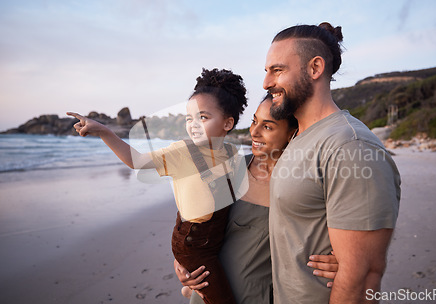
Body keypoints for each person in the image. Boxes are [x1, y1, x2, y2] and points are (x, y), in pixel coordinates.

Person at [68, 68, 250, 304]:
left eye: (203, 118)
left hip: (215, 237)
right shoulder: (183, 152)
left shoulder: (231, 154)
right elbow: (137, 161)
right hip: (194, 244)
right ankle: (193, 289)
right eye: (189, 119)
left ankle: (190, 291)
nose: (193, 125)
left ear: (227, 123)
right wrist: (104, 131)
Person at [263, 22, 401, 303]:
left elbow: (362, 279)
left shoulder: (351, 147)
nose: (266, 83)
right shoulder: (298, 137)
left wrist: (353, 264)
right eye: (266, 72)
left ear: (315, 68)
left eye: (277, 70)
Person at [175, 94, 340, 304]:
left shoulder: (303, 186)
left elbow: (329, 238)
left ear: (293, 133)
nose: (254, 131)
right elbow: (192, 226)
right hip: (208, 294)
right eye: (254, 121)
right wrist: (180, 262)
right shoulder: (229, 168)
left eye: (268, 127)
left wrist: (342, 262)